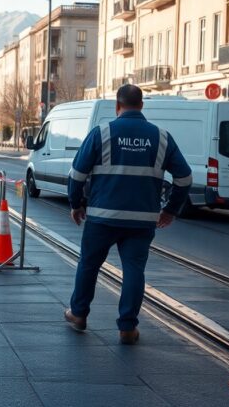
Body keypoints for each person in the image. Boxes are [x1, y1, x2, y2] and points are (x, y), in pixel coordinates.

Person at [64, 84, 192, 345]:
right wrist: (170, 210)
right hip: (141, 220)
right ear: (142, 105)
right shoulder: (162, 137)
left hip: (102, 217)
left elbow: (76, 175)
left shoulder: (101, 133)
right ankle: (127, 328)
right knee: (134, 270)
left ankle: (78, 315)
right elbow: (185, 177)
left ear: (117, 106)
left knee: (89, 265)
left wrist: (76, 204)